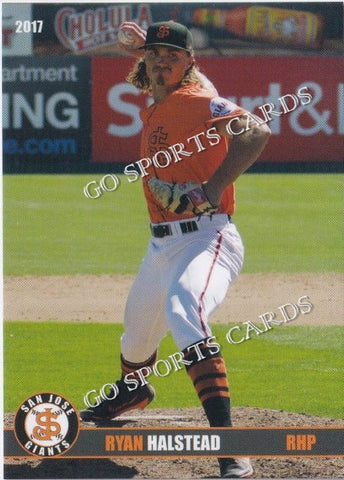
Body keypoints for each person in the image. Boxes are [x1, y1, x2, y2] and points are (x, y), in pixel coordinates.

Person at [81, 20, 270, 478]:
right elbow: (160, 73)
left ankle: (230, 450)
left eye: (174, 54)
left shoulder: (196, 98)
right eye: (156, 54)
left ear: (191, 62)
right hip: (160, 246)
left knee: (185, 310)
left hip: (207, 235)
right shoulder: (159, 103)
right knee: (136, 337)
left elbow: (256, 132)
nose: (163, 60)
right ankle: (134, 391)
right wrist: (147, 54)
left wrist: (212, 187)